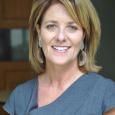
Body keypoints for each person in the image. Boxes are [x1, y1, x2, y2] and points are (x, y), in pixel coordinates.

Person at [3, 0, 115, 114]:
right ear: (39, 32)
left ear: (84, 35)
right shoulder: (20, 96)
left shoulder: (106, 93)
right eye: (51, 26)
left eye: (72, 27)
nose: (61, 37)